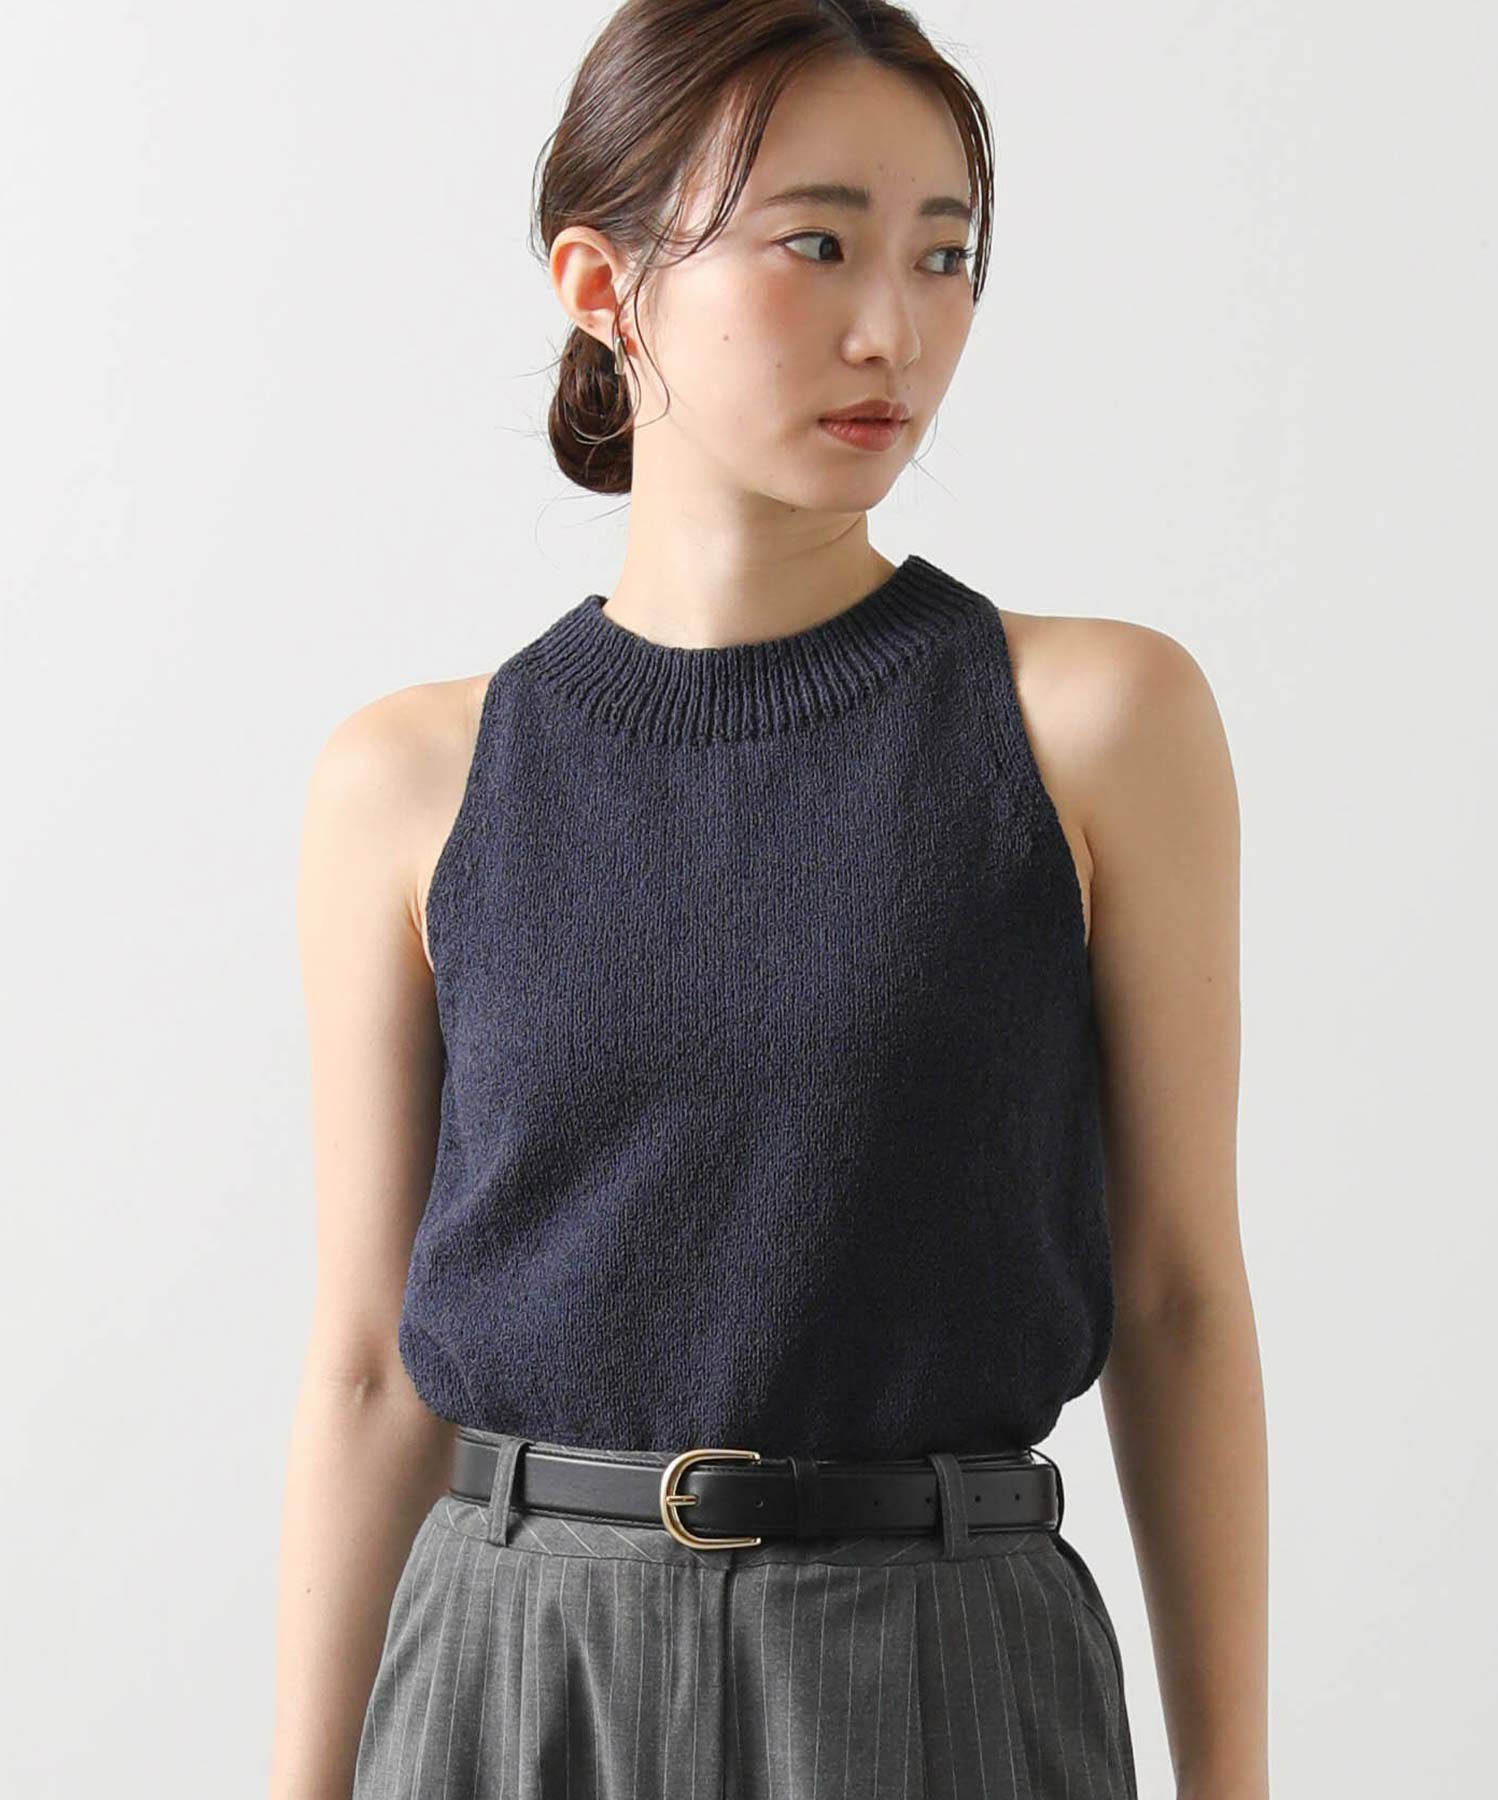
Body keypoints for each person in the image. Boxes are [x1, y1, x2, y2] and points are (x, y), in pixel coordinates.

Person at [268, 4, 1268, 1797]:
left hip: (945, 1672)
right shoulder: (412, 781)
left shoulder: (1092, 724)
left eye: (945, 254)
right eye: (817, 245)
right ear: (603, 284)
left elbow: (1181, 1299)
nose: (896, 329)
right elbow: (364, 1371)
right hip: (515, 1681)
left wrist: (1236, 1782)